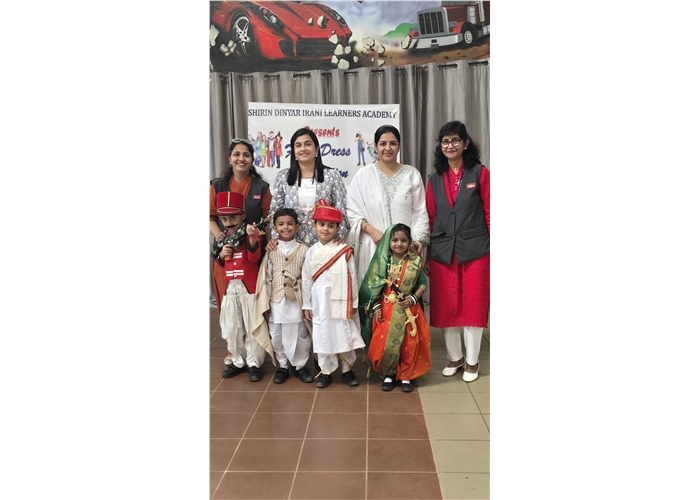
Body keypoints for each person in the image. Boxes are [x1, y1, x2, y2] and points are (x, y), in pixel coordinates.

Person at [426, 121, 490, 383]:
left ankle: (472, 361)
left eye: (454, 140)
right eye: (445, 141)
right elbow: (431, 218)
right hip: (442, 251)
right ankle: (455, 357)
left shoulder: (480, 173)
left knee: (473, 304)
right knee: (446, 305)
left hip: (476, 250)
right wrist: (428, 253)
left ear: (465, 143)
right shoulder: (433, 179)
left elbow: (490, 211)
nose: (449, 145)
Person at [346, 124, 430, 284]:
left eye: (393, 143)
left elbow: (419, 211)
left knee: (403, 296)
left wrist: (417, 240)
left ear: (399, 146)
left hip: (405, 249)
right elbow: (352, 211)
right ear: (375, 146)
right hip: (373, 248)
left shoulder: (411, 174)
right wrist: (372, 231)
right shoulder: (363, 175)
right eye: (383, 143)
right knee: (375, 296)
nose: (388, 148)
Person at [359, 224, 431, 393]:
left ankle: (406, 375)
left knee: (408, 343)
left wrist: (413, 299)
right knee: (384, 342)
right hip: (386, 310)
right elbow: (374, 287)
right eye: (395, 240)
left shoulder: (416, 261)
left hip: (409, 311)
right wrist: (376, 307)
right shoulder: (383, 261)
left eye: (403, 240)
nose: (399, 244)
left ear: (410, 242)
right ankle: (388, 373)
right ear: (388, 242)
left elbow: (422, 284)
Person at [301, 200, 364, 389]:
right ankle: (326, 370)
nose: (326, 229)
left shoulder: (343, 250)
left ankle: (347, 370)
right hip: (319, 300)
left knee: (344, 332)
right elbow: (306, 279)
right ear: (314, 226)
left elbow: (352, 276)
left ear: (338, 228)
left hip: (341, 298)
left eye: (331, 226)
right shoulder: (311, 252)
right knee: (323, 333)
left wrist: (353, 302)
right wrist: (307, 304)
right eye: (321, 224)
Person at [214, 191, 274, 382]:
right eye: (224, 219)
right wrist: (221, 254)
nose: (228, 222)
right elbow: (219, 262)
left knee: (251, 326)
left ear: (243, 216)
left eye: (233, 217)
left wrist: (253, 238)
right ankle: (237, 361)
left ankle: (254, 362)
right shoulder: (222, 238)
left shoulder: (250, 234)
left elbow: (254, 257)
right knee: (232, 326)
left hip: (248, 288)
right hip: (229, 288)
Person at [210, 138, 271, 312]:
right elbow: (210, 217)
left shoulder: (262, 187)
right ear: (229, 159)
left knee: (253, 306)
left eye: (246, 155)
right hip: (225, 255)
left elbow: (268, 219)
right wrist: (220, 236)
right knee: (228, 306)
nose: (241, 158)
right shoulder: (216, 186)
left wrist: (270, 247)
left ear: (252, 160)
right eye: (236, 154)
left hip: (253, 254)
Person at [255, 208, 314, 384]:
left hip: (297, 300)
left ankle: (299, 366)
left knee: (300, 334)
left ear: (297, 227)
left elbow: (308, 277)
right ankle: (282, 366)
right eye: (281, 224)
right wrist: (265, 303)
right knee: (276, 334)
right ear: (274, 228)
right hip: (276, 300)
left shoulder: (305, 249)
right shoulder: (271, 249)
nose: (285, 227)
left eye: (290, 224)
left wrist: (308, 302)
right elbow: (266, 278)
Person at [268, 128, 349, 248]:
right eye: (298, 145)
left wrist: (338, 237)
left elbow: (341, 210)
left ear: (316, 149)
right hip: (291, 244)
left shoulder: (332, 176)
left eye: (308, 144)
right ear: (293, 151)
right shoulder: (283, 177)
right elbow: (274, 212)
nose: (303, 149)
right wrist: (276, 238)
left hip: (325, 243)